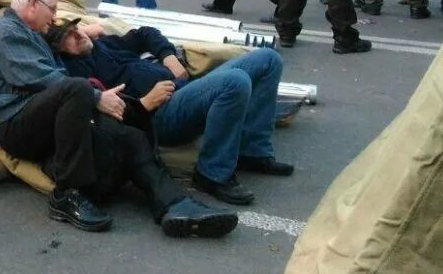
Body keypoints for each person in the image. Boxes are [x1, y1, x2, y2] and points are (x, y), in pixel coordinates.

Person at [0, 0, 237, 237]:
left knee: (129, 135)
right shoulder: (5, 32)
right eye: (52, 9)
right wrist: (97, 97)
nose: (53, 17)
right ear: (32, 4)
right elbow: (42, 78)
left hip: (41, 117)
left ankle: (174, 205)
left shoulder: (34, 36)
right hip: (14, 121)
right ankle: (66, 194)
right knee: (77, 88)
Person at [45, 19, 292, 206]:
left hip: (183, 88)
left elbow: (145, 33)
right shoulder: (76, 73)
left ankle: (252, 151)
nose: (77, 34)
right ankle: (212, 173)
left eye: (76, 29)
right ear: (59, 51)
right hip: (160, 114)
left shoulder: (104, 44)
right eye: (68, 37)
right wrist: (143, 103)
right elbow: (105, 115)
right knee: (234, 81)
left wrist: (168, 56)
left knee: (269, 59)